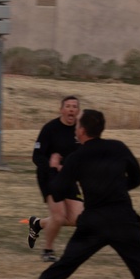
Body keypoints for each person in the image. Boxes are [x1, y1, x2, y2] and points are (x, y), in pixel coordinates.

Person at [5, 109, 140, 279]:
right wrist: (118, 188)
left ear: (81, 130)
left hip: (94, 223)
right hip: (124, 220)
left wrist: (56, 169)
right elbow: (137, 178)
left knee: (64, 266)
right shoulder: (118, 147)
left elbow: (58, 190)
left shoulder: (76, 157)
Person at [26, 95, 84, 262]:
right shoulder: (50, 129)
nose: (71, 109)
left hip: (69, 178)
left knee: (76, 219)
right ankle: (47, 251)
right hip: (49, 176)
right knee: (58, 217)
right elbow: (36, 156)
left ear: (78, 111)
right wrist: (53, 167)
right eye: (68, 106)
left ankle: (38, 224)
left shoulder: (80, 131)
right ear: (61, 110)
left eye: (74, 106)